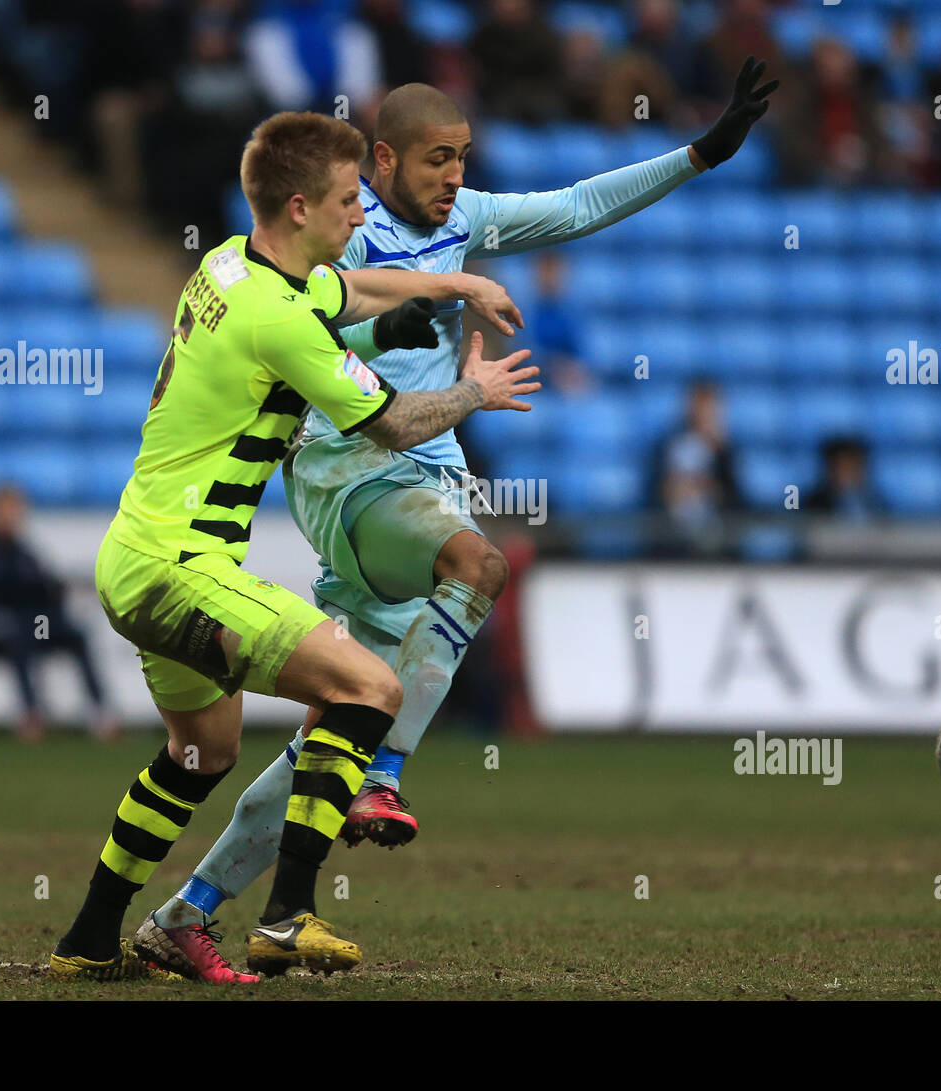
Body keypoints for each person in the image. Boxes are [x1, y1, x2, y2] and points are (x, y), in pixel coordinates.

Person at [148, 62, 779, 964]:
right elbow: (311, 334)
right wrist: (384, 335)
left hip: (431, 476)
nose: (454, 177)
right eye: (438, 160)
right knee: (480, 569)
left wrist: (699, 154)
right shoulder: (342, 234)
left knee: (338, 724)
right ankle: (388, 777)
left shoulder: (468, 220)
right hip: (349, 470)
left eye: (463, 159)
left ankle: (190, 910)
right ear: (383, 159)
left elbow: (575, 206)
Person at [48, 110, 538, 985]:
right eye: (350, 201)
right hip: (177, 568)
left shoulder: (230, 265)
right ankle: (286, 917)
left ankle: (89, 936)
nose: (362, 215)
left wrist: (453, 287)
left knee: (201, 754)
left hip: (136, 553)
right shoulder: (277, 317)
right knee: (369, 687)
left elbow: (355, 295)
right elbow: (391, 424)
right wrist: (471, 392)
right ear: (304, 206)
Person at [0, 484, 116, 742]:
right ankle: (31, 715)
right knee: (18, 636)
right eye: (4, 510)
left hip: (34, 627)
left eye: (14, 510)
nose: (10, 517)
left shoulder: (26, 554)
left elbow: (48, 594)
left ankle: (101, 713)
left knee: (77, 636)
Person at [657, 382, 742, 556]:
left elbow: (736, 499)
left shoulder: (725, 451)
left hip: (717, 541)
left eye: (709, 408)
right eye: (699, 406)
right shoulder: (669, 444)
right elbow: (655, 490)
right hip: (672, 541)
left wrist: (710, 487)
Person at [806, 436, 883, 518]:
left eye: (853, 467)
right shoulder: (814, 504)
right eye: (843, 468)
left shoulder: (876, 502)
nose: (848, 474)